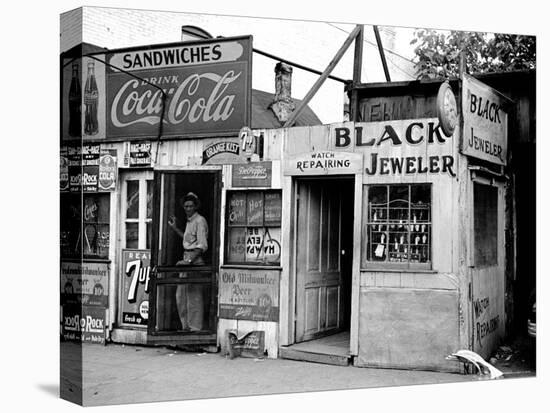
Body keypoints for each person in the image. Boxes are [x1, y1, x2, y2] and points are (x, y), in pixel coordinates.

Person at [167, 192, 208, 331]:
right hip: (187, 260)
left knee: (194, 298)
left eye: (191, 206)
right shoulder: (190, 221)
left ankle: (195, 329)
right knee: (181, 296)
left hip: (194, 262)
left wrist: (189, 261)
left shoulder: (200, 221)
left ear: (195, 207)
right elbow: (187, 241)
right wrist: (174, 228)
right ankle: (185, 327)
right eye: (186, 206)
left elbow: (201, 246)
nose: (188, 208)